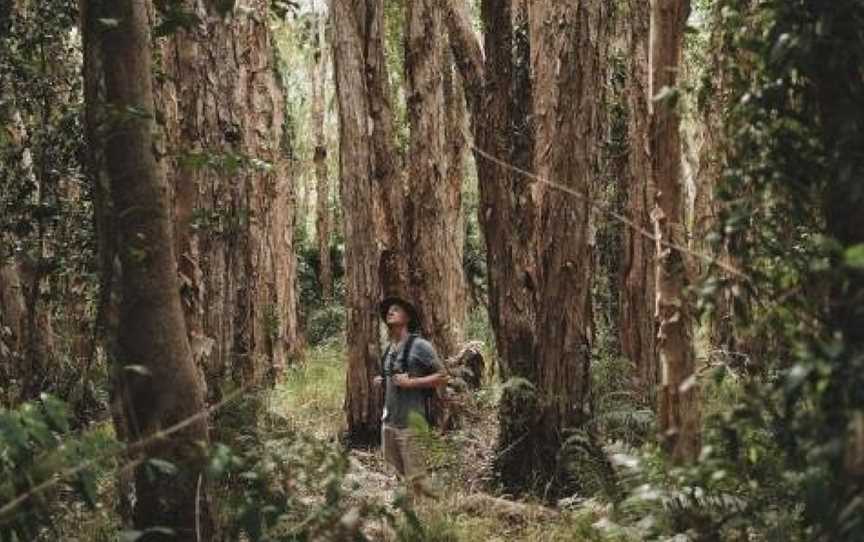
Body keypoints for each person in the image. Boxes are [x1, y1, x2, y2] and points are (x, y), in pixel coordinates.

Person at [373, 296, 447, 500]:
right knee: (398, 476)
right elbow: (394, 377)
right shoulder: (389, 348)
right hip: (389, 424)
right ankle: (407, 517)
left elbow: (443, 376)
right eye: (388, 310)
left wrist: (411, 383)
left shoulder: (420, 345)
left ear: (407, 318)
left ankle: (427, 517)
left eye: (396, 309)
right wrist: (383, 379)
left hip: (411, 424)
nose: (390, 311)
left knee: (417, 478)